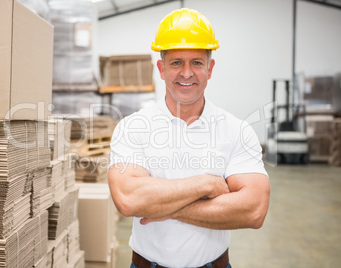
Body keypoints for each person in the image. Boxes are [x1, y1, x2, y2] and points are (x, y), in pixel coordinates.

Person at [108, 8, 270, 268]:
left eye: (196, 62)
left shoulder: (235, 129)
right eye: (176, 63)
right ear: (161, 69)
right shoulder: (133, 127)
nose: (186, 73)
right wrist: (206, 185)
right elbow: (128, 199)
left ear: (210, 68)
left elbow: (254, 209)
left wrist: (164, 208)